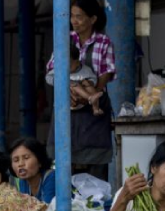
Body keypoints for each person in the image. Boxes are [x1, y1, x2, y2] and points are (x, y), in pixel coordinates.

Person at [46, 0, 115, 177]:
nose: (74, 21)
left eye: (79, 17)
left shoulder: (103, 42)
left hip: (94, 107)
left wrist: (93, 94)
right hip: (67, 104)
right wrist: (70, 91)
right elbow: (53, 69)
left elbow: (107, 72)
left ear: (92, 19)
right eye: (72, 16)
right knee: (64, 165)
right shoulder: (64, 38)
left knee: (96, 168)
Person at [47, 42, 103, 115]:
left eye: (69, 65)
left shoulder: (85, 70)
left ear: (77, 62)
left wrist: (89, 82)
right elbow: (48, 77)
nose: (65, 67)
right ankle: (90, 98)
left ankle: (95, 109)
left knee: (90, 87)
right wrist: (58, 81)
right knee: (74, 84)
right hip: (64, 105)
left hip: (83, 103)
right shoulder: (59, 70)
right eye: (63, 64)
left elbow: (94, 78)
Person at [10, 137, 55, 204]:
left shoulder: (51, 177)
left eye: (26, 158)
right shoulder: (22, 181)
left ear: (39, 160)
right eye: (16, 160)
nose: (20, 164)